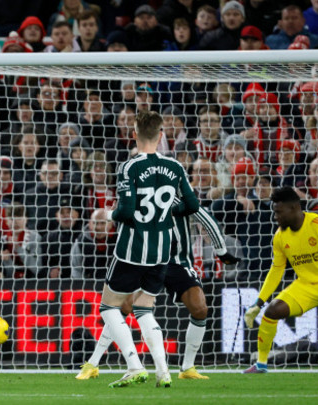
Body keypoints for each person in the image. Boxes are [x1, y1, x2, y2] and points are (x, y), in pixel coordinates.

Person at [77, 200, 239, 380]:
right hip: (149, 258)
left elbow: (205, 217)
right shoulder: (144, 192)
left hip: (178, 262)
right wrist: (116, 212)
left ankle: (187, 368)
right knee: (125, 306)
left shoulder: (181, 196)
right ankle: (93, 363)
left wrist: (220, 250)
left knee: (200, 308)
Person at [99, 110, 200, 388]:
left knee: (109, 307)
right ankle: (164, 371)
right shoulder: (176, 167)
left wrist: (109, 215)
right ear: (161, 135)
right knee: (144, 309)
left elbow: (127, 210)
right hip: (161, 251)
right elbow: (192, 206)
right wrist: (168, 211)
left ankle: (134, 365)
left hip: (131, 249)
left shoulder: (129, 167)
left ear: (134, 134)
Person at [243, 186, 318, 373]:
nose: (276, 216)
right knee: (272, 311)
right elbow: (276, 271)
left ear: (294, 208)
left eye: (279, 212)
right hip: (306, 285)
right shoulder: (280, 237)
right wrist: (258, 303)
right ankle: (261, 364)